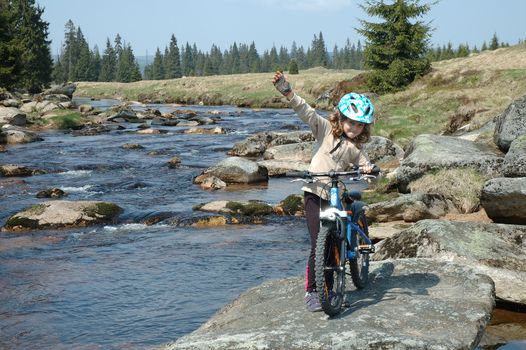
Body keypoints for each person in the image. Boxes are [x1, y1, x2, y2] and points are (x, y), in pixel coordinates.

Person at [272, 71, 375, 312]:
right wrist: (288, 92)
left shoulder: (354, 148)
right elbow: (306, 111)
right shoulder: (325, 129)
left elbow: (364, 165)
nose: (354, 128)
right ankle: (312, 291)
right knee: (318, 241)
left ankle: (329, 290)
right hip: (314, 192)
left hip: (334, 196)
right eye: (350, 122)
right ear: (340, 118)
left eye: (360, 124)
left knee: (332, 244)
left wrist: (368, 171)